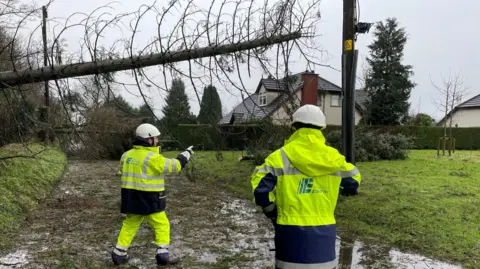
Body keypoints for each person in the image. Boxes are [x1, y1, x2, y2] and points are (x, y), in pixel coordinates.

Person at [250, 104, 360, 269]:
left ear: (294, 127)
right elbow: (353, 180)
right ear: (321, 128)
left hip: (289, 232)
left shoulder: (279, 157)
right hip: (325, 232)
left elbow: (261, 190)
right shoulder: (334, 157)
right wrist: (336, 192)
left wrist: (271, 211)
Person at [111, 123, 194, 266]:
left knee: (129, 225)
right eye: (156, 138)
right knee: (161, 224)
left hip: (131, 199)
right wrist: (186, 154)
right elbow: (175, 166)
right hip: (150, 200)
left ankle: (119, 254)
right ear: (149, 139)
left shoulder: (126, 155)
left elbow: (120, 171)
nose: (157, 140)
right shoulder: (153, 158)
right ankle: (163, 255)